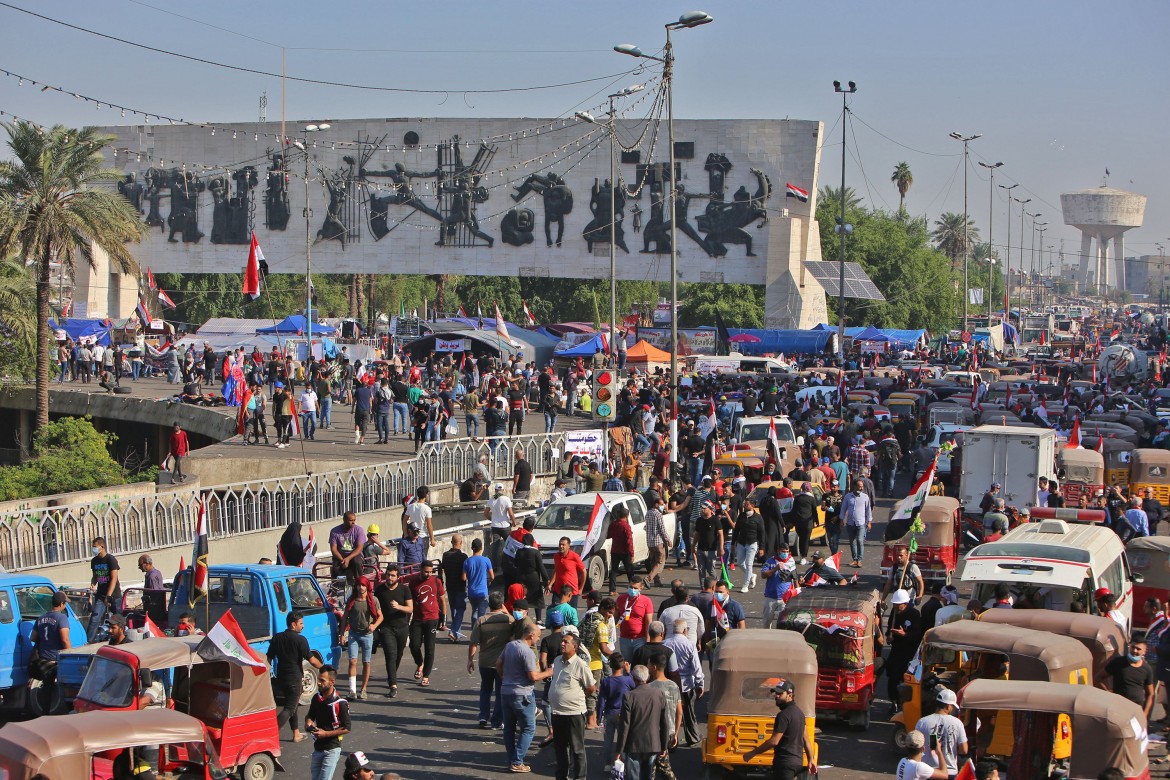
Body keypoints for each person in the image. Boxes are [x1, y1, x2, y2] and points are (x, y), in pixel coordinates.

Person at [498, 622, 553, 774]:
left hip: (506, 692)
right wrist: (548, 673)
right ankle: (517, 761)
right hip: (522, 694)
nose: (538, 640)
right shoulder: (527, 652)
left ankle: (512, 759)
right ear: (531, 635)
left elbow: (498, 663)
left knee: (509, 728)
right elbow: (533, 676)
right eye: (537, 637)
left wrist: (505, 678)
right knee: (529, 728)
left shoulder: (510, 645)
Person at [741, 678, 817, 779]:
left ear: (790, 695)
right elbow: (806, 739)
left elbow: (774, 741)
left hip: (784, 763)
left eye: (780, 694)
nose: (776, 696)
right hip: (797, 763)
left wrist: (753, 753)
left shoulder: (783, 715)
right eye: (776, 693)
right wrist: (811, 760)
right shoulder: (800, 714)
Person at [267, 611, 323, 742]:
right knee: (289, 708)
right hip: (294, 679)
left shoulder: (277, 638)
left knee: (292, 705)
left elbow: (268, 659)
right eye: (301, 623)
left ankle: (296, 734)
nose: (303, 626)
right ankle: (271, 733)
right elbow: (312, 660)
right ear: (293, 624)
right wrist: (325, 668)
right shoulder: (300, 640)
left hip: (281, 677)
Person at [549, 632, 595, 780]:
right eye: (562, 641)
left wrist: (576, 698)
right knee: (560, 749)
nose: (562, 644)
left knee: (577, 749)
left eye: (566, 642)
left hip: (574, 714)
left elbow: (591, 688)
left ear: (574, 646)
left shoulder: (580, 665)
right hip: (557, 713)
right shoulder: (557, 661)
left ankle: (580, 777)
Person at [613, 665, 671, 780]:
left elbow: (624, 725)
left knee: (633, 776)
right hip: (653, 743)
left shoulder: (629, 696)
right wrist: (664, 746)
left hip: (633, 745)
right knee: (648, 776)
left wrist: (619, 749)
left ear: (633, 679)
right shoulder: (659, 694)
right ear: (648, 677)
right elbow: (664, 723)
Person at [469, 592, 514, 729]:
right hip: (502, 662)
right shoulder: (509, 620)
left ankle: (483, 716)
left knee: (485, 689)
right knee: (500, 692)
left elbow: (473, 643)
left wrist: (470, 660)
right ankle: (496, 721)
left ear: (489, 605)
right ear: (501, 604)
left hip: (485, 661)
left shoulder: (481, 620)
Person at [663, 618, 704, 746]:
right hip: (687, 684)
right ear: (685, 630)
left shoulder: (665, 644)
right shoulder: (690, 644)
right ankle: (692, 737)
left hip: (669, 683)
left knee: (669, 714)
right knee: (689, 713)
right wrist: (700, 683)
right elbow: (696, 666)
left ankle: (669, 740)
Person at [373, 565, 412, 699]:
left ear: (398, 577)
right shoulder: (380, 590)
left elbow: (410, 609)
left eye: (393, 575)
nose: (390, 578)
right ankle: (393, 685)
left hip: (402, 627)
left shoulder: (404, 589)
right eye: (388, 575)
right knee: (390, 654)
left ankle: (392, 675)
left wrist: (399, 606)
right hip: (386, 628)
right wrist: (375, 628)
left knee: (398, 654)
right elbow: (374, 610)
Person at [340, 577, 382, 700]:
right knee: (352, 661)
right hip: (353, 634)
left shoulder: (373, 600)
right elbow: (345, 618)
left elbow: (380, 616)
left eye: (363, 585)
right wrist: (342, 634)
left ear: (367, 586)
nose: (361, 588)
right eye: (359, 585)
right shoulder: (351, 600)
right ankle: (352, 690)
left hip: (367, 634)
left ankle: (363, 689)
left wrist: (374, 625)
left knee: (366, 662)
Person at [305, 666, 351, 780]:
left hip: (332, 749)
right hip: (317, 749)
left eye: (322, 680)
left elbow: (347, 728)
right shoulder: (316, 698)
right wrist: (308, 722)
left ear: (332, 682)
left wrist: (325, 734)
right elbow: (310, 715)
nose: (319, 683)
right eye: (318, 679)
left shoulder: (340, 704)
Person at [406, 559, 445, 687]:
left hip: (432, 619)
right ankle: (419, 663)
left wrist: (442, 618)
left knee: (429, 648)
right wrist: (407, 620)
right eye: (426, 572)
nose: (428, 574)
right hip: (417, 619)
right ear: (421, 570)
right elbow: (409, 602)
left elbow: (442, 599)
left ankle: (426, 675)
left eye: (430, 571)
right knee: (414, 645)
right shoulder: (413, 583)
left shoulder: (436, 581)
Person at [914, 689, 968, 778]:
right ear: (948, 707)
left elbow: (916, 746)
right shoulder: (957, 723)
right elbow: (964, 750)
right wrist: (950, 748)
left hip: (928, 770)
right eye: (952, 707)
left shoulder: (923, 722)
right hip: (949, 771)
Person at [885, 589, 923, 715]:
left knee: (906, 678)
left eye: (898, 604)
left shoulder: (914, 614)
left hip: (909, 653)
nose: (895, 606)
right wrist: (889, 637)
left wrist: (905, 634)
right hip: (896, 651)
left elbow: (918, 635)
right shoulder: (894, 612)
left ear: (905, 603)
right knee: (892, 676)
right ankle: (894, 701)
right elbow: (889, 628)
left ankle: (905, 703)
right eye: (894, 604)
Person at [598, 653, 635, 773]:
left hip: (609, 713)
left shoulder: (606, 681)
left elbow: (601, 700)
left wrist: (599, 716)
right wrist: (629, 672)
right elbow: (634, 689)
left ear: (611, 665)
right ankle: (622, 762)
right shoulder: (627, 679)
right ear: (623, 665)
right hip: (623, 713)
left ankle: (607, 764)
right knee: (622, 739)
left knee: (608, 740)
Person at [1105, 640, 1156, 720]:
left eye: (1138, 649)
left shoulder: (1147, 669)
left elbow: (1150, 694)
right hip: (1118, 708)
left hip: (1136, 711)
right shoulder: (1118, 662)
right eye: (1133, 647)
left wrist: (1145, 714)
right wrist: (1107, 691)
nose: (1134, 651)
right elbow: (1099, 677)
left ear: (1144, 651)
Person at [88, 536, 121, 642]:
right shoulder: (94, 561)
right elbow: (95, 576)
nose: (93, 549)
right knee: (95, 618)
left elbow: (114, 578)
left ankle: (121, 638)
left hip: (114, 595)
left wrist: (109, 596)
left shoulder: (110, 559)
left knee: (118, 619)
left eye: (95, 547)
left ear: (101, 547)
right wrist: (93, 583)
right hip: (100, 594)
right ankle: (89, 641)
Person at [614, 575, 654, 659]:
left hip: (640, 639)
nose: (632, 590)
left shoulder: (646, 601)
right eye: (630, 587)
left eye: (635, 588)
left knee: (638, 665)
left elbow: (648, 622)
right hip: (624, 638)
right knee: (626, 664)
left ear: (641, 588)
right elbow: (615, 618)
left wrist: (647, 641)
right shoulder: (621, 599)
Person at [32, 591, 72, 672]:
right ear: (61, 603)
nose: (65, 605)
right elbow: (65, 640)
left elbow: (33, 638)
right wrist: (71, 655)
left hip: (43, 660)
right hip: (55, 660)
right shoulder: (61, 617)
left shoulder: (40, 618)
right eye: (65, 603)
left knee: (47, 684)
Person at [761, 543, 798, 628]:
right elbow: (763, 575)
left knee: (783, 624)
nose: (785, 553)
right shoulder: (770, 561)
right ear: (778, 551)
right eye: (783, 551)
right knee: (766, 623)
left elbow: (795, 578)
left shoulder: (791, 561)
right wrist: (775, 569)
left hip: (785, 599)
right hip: (770, 598)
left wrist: (797, 593)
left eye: (787, 552)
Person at [733, 496, 764, 593]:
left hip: (752, 543)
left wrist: (762, 548)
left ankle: (745, 585)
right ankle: (751, 575)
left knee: (749, 564)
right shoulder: (741, 516)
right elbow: (736, 530)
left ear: (753, 505)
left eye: (747, 504)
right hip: (741, 543)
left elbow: (762, 533)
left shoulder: (758, 518)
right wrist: (733, 543)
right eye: (744, 504)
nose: (745, 506)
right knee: (740, 563)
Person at [442, 534, 470, 642]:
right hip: (460, 586)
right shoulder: (463, 557)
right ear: (461, 543)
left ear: (451, 542)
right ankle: (454, 631)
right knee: (461, 609)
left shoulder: (445, 555)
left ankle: (456, 634)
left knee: (454, 609)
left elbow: (443, 568)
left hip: (449, 585)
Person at [841, 478, 873, 568]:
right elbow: (843, 508)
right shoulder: (848, 497)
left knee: (859, 540)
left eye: (862, 487)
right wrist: (841, 520)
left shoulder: (865, 497)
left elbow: (868, 511)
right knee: (852, 542)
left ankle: (859, 559)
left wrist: (869, 522)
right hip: (850, 523)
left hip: (861, 523)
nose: (861, 488)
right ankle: (854, 559)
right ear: (854, 486)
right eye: (859, 486)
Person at [464, 537, 495, 626]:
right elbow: (492, 576)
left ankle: (474, 630)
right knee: (481, 614)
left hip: (471, 592)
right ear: (481, 548)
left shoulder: (467, 561)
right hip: (482, 591)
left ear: (471, 548)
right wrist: (489, 581)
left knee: (475, 610)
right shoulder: (486, 560)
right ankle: (479, 633)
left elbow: (463, 577)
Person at [329, 511, 366, 585]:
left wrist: (348, 559)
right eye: (351, 520)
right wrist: (342, 560)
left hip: (354, 555)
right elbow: (333, 549)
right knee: (336, 568)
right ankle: (338, 587)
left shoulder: (359, 530)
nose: (353, 522)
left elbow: (359, 548)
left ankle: (360, 584)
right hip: (340, 556)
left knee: (357, 562)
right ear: (344, 520)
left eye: (354, 520)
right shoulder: (334, 531)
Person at [693, 500, 725, 582]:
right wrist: (693, 546)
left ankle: (716, 584)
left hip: (711, 550)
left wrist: (721, 548)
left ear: (710, 509)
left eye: (704, 508)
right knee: (701, 570)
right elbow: (697, 534)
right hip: (700, 549)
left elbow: (721, 534)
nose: (702, 510)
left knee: (711, 570)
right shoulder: (699, 520)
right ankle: (703, 588)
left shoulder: (715, 520)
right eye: (701, 508)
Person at [607, 504, 636, 592]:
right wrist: (631, 554)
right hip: (625, 551)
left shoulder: (613, 524)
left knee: (614, 571)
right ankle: (633, 587)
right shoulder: (626, 526)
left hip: (615, 550)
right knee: (629, 571)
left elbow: (609, 535)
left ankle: (612, 590)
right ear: (627, 516)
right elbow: (629, 542)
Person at [551, 537, 585, 608]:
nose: (561, 546)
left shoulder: (574, 556)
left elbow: (584, 572)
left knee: (571, 615)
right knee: (556, 613)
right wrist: (550, 584)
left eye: (563, 545)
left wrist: (581, 588)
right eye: (560, 544)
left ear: (568, 546)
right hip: (558, 591)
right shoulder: (556, 556)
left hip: (571, 592)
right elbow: (556, 570)